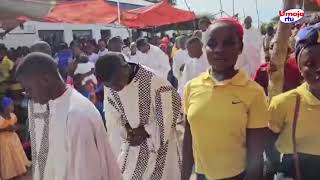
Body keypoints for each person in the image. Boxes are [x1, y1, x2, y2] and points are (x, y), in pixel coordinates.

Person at [182, 18, 270, 180]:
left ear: (240, 48)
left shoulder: (254, 93)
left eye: (228, 43)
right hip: (202, 176)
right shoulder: (191, 87)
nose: (219, 50)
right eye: (212, 43)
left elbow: (256, 157)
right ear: (204, 47)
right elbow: (188, 141)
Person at [15, 52, 122, 180]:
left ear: (45, 80)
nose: (27, 94)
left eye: (29, 89)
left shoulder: (76, 116)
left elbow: (87, 173)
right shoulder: (57, 103)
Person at [96, 52, 182, 180]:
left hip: (160, 148)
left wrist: (146, 130)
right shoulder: (111, 83)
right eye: (109, 86)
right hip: (132, 148)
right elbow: (112, 117)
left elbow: (171, 112)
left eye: (116, 83)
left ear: (125, 68)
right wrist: (126, 131)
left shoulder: (155, 81)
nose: (114, 88)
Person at [268, 24, 320, 180]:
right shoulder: (283, 102)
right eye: (310, 64)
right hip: (294, 170)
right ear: (299, 68)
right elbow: (270, 140)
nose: (319, 69)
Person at [0, 97, 31, 180]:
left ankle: (18, 170)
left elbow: (15, 125)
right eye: (11, 105)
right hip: (3, 141)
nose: (13, 107)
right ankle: (9, 173)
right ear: (4, 107)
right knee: (7, 156)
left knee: (16, 155)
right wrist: (5, 129)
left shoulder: (13, 116)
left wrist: (15, 128)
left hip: (13, 140)